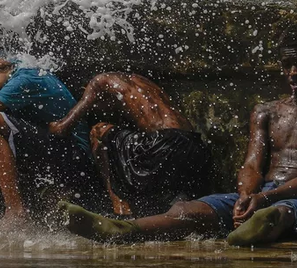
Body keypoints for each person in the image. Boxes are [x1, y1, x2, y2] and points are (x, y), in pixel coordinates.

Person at [60, 24, 297, 246]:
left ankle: (257, 227)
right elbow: (252, 164)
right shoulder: (267, 111)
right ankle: (122, 229)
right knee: (186, 209)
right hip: (259, 194)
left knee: (281, 214)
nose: (292, 72)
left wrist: (264, 199)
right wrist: (245, 195)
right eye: (286, 65)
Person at [0, 56, 100, 228]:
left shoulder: (25, 79)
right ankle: (33, 207)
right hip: (60, 152)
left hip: (76, 158)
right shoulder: (24, 70)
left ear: (0, 68)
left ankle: (16, 212)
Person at [48, 72, 212, 216]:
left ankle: (120, 208)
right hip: (195, 146)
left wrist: (46, 125)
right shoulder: (137, 82)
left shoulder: (98, 82)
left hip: (163, 144)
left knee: (98, 130)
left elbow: (63, 128)